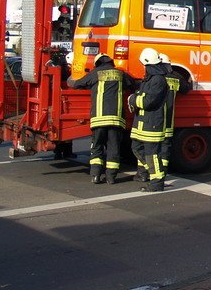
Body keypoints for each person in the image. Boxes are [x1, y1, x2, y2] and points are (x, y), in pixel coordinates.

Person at [67, 54, 135, 184]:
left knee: (97, 147)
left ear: (97, 63)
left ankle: (96, 176)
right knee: (113, 148)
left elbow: (78, 84)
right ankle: (111, 177)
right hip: (116, 120)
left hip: (99, 119)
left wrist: (71, 79)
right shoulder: (120, 74)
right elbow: (132, 83)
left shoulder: (96, 73)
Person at [129, 47, 169, 192]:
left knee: (153, 154)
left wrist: (133, 99)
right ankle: (154, 173)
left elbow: (148, 101)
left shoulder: (158, 80)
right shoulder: (150, 79)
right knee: (136, 147)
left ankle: (157, 182)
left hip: (152, 123)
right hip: (142, 122)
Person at [157, 53, 191, 173]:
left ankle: (149, 170)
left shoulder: (153, 77)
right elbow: (186, 88)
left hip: (154, 119)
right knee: (165, 144)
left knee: (152, 146)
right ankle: (163, 168)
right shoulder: (176, 77)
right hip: (168, 118)